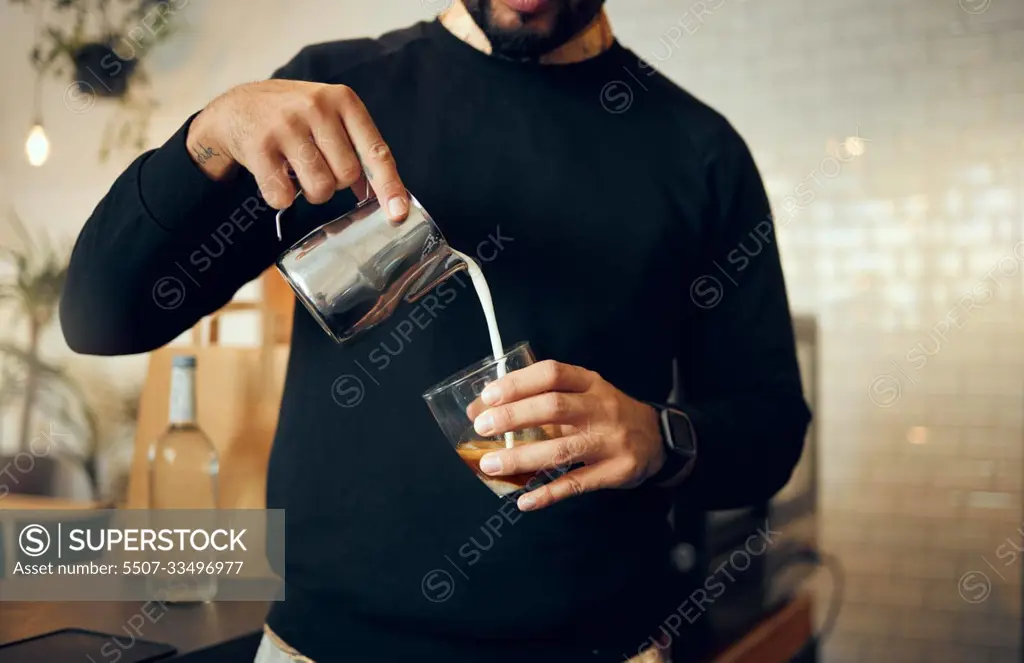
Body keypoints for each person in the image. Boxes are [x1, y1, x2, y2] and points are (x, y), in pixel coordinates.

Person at [61, 1, 811, 661]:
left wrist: (659, 437)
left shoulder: (697, 149)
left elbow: (770, 431)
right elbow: (101, 316)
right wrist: (211, 135)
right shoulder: (335, 97)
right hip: (324, 648)